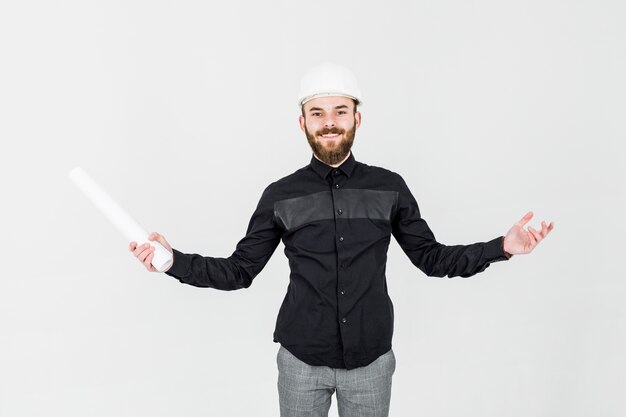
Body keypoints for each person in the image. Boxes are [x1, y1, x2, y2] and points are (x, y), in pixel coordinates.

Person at [129, 62, 554, 417]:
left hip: (371, 361)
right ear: (303, 122)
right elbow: (239, 271)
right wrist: (171, 260)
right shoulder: (281, 195)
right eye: (318, 113)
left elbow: (432, 258)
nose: (329, 121)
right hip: (300, 361)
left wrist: (503, 247)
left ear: (357, 118)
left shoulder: (389, 188)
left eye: (340, 111)